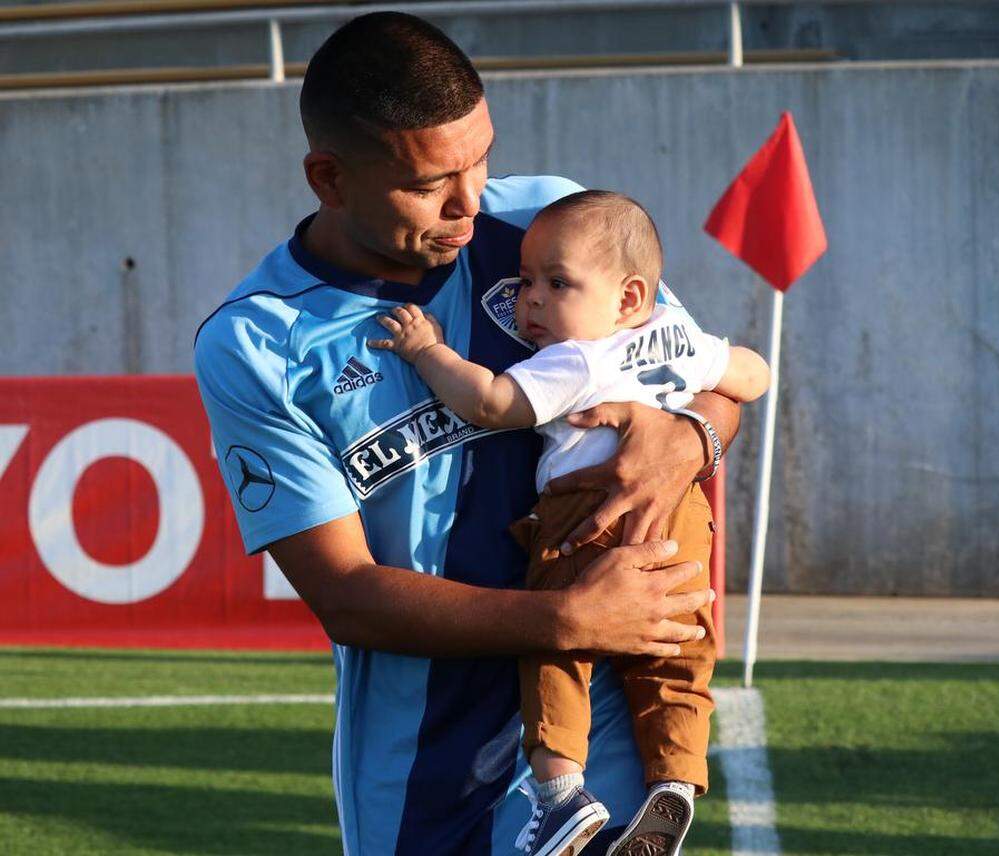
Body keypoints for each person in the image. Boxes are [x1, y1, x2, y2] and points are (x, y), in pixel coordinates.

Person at [193, 12, 741, 855]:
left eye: (481, 157)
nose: (471, 200)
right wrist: (566, 617)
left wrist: (690, 436)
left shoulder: (550, 230)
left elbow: (706, 384)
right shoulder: (257, 342)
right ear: (330, 179)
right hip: (423, 759)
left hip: (598, 714)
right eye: (430, 183)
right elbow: (345, 595)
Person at [371, 190, 768, 856]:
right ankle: (674, 779)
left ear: (628, 297)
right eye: (527, 281)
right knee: (678, 653)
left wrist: (426, 352)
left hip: (581, 516)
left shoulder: (576, 359)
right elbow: (753, 373)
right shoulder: (674, 337)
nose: (531, 301)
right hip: (681, 521)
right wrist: (690, 425)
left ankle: (560, 796)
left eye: (558, 283)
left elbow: (491, 401)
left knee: (557, 650)